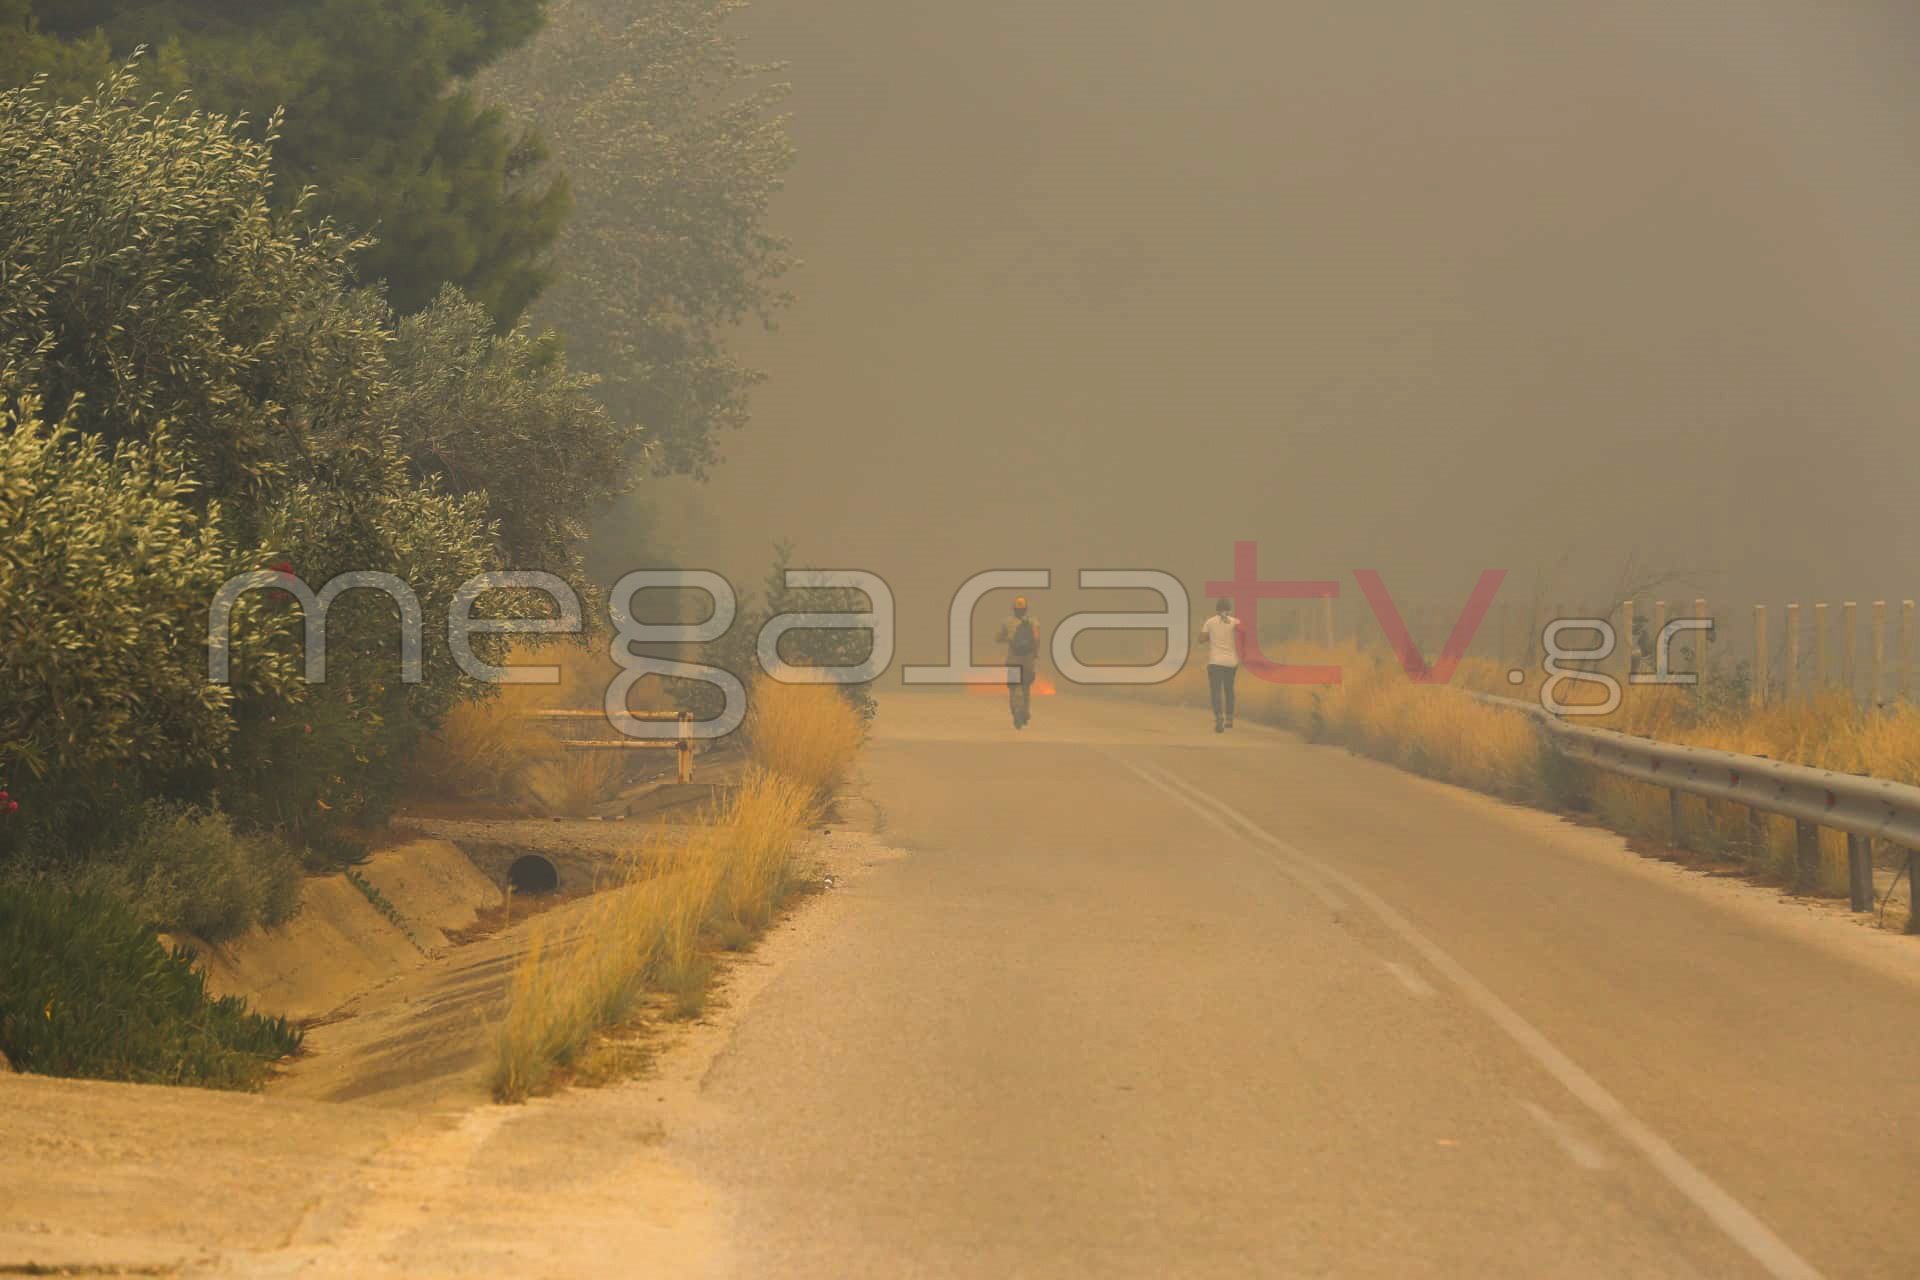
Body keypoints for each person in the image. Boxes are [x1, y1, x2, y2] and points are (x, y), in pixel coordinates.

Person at [996, 596, 1040, 729]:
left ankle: (1015, 711)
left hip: (1013, 659)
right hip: (1028, 659)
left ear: (1014, 609)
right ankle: (1025, 712)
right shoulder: (1034, 622)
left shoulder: (1007, 622)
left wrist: (1007, 638)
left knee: (1014, 687)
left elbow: (998, 638)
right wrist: (1035, 654)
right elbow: (1037, 639)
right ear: (1026, 609)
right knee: (1026, 687)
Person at [1199, 597, 1242, 733]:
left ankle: (1219, 717)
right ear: (1229, 609)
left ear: (1217, 609)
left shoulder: (1210, 622)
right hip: (1231, 662)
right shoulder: (1236, 622)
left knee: (1216, 690)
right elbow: (1244, 635)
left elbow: (1201, 639)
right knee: (1229, 689)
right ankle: (1229, 718)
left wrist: (1212, 635)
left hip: (1215, 662)